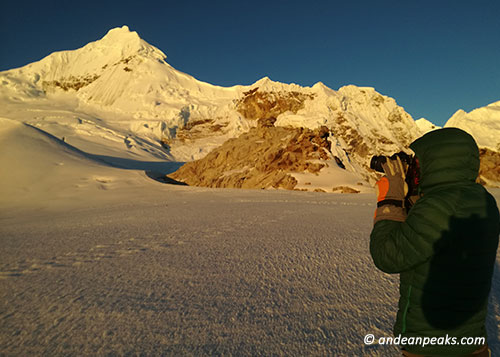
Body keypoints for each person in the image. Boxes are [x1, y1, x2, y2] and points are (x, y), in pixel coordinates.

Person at [370, 128, 499, 356]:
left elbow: (387, 255)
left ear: (435, 161)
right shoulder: (483, 199)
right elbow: (433, 237)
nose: (416, 168)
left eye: (419, 162)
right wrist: (413, 199)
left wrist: (390, 199)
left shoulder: (437, 207)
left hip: (432, 343)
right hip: (471, 341)